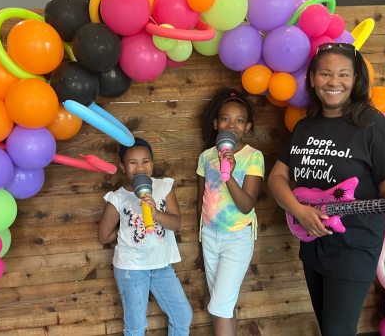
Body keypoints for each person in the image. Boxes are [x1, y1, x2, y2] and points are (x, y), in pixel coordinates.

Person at [267, 43, 385, 336]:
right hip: (311, 243)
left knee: (338, 331)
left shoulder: (372, 126)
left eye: (344, 74)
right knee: (328, 328)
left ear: (356, 79)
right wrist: (298, 210)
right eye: (326, 74)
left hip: (354, 248)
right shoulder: (305, 127)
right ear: (312, 78)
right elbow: (277, 178)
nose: (334, 82)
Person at [99, 138, 193, 336]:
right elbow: (104, 236)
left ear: (152, 163)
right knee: (136, 327)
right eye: (133, 162)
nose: (140, 167)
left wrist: (156, 213)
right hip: (131, 269)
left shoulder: (163, 188)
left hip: (162, 266)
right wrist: (125, 229)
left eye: (146, 161)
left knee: (183, 315)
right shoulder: (118, 198)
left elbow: (175, 223)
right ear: (123, 166)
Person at [193, 89, 265, 336]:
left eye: (239, 120)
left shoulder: (253, 157)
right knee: (222, 303)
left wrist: (229, 173)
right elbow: (201, 202)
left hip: (237, 238)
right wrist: (200, 245)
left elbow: (246, 206)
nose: (231, 124)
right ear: (215, 124)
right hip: (210, 236)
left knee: (219, 307)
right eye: (225, 119)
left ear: (248, 127)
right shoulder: (206, 157)